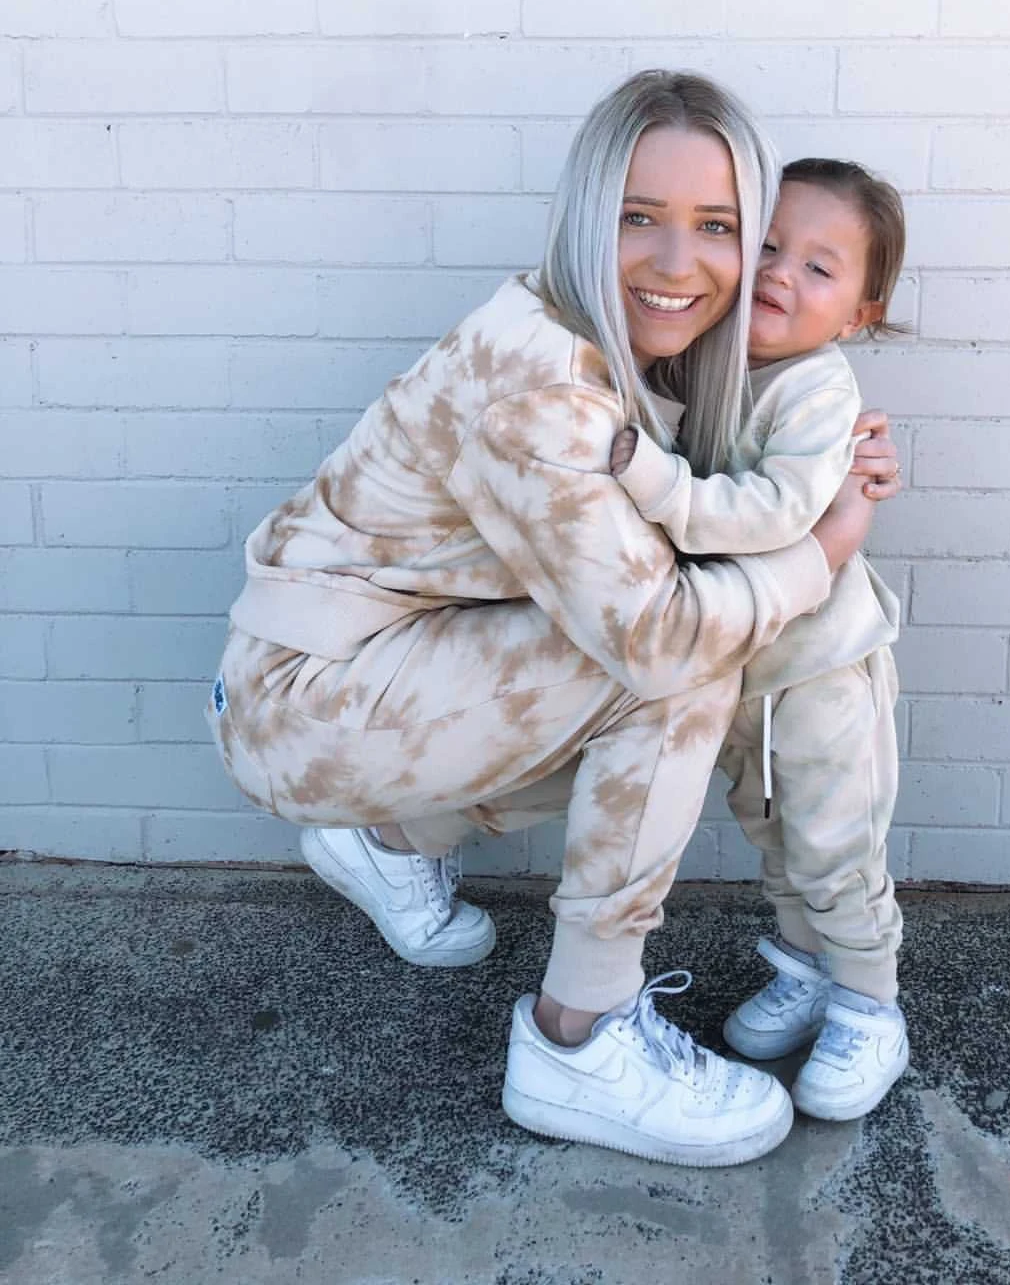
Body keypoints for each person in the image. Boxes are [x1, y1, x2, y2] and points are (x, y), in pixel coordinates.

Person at [207, 71, 901, 1169]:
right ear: (585, 212)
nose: (678, 263)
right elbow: (660, 636)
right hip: (308, 700)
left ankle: (392, 841)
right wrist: (824, 550)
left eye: (718, 226)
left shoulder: (619, 337)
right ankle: (580, 1037)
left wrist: (821, 463)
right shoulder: (541, 379)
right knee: (680, 665)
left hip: (377, 659)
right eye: (639, 217)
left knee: (675, 648)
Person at [610, 158, 909, 1123]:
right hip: (743, 671)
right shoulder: (711, 363)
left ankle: (871, 1006)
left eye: (819, 267)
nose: (781, 272)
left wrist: (654, 482)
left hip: (820, 673)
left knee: (834, 844)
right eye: (768, 245)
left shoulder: (819, 392)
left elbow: (775, 511)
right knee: (776, 837)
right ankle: (808, 973)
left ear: (860, 313)